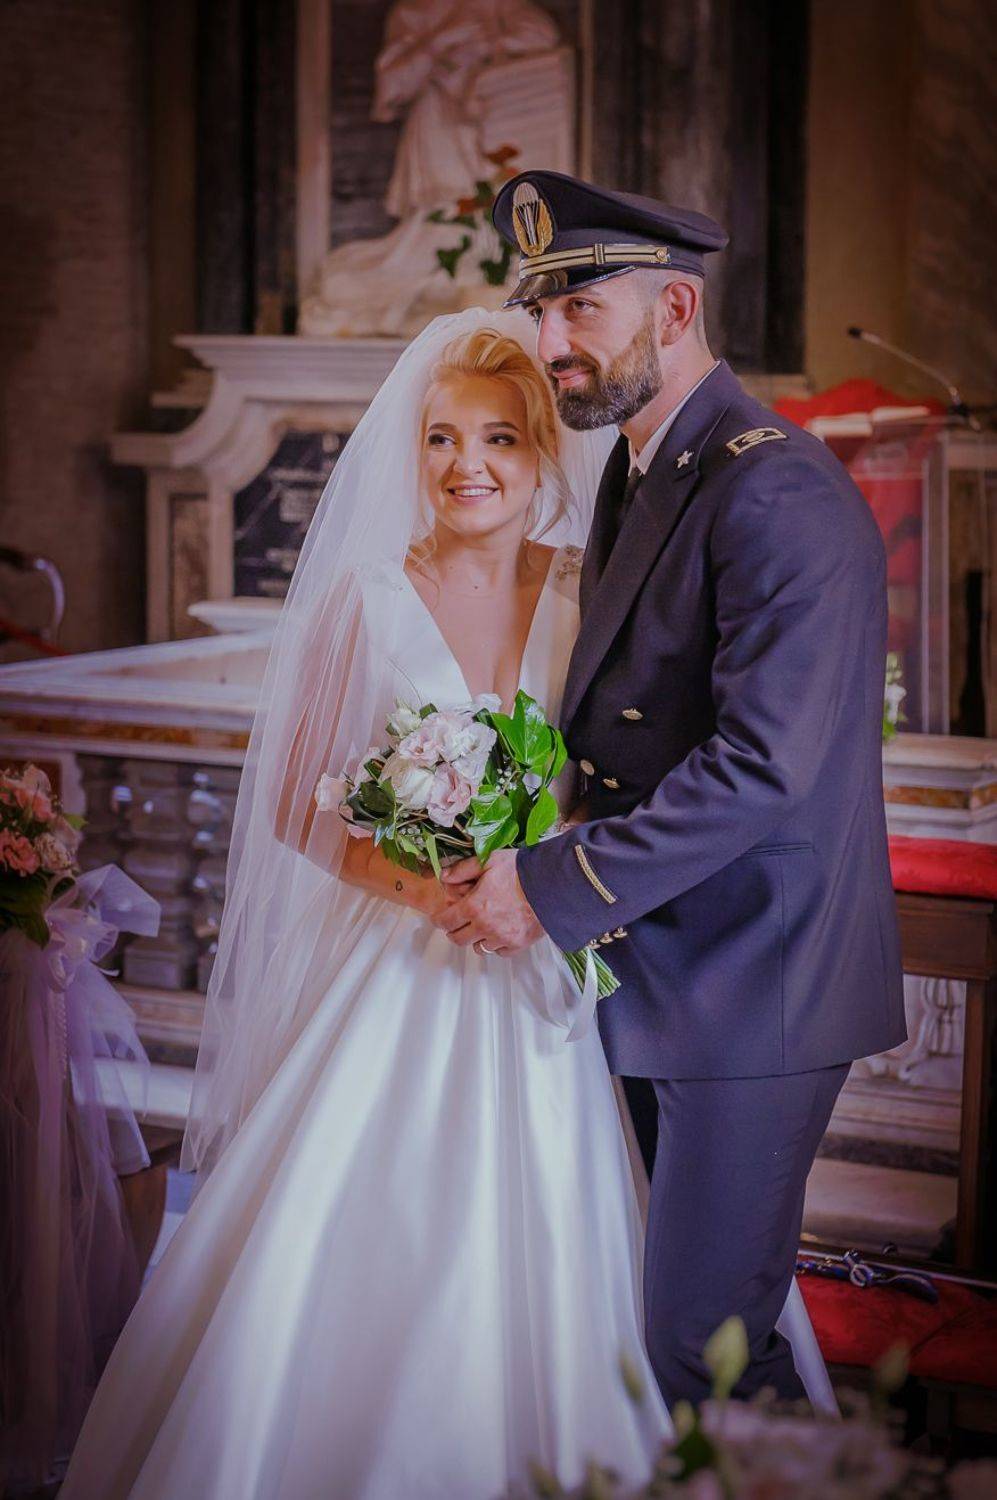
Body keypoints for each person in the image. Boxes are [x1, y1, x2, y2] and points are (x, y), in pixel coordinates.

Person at [437, 169, 908, 1409]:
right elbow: (622, 726)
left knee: (707, 1342)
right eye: (541, 310)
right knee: (679, 1330)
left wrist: (548, 885)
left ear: (677, 307)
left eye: (581, 309)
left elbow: (762, 764)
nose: (550, 342)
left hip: (758, 977)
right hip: (672, 955)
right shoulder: (648, 469)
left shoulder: (773, 486)